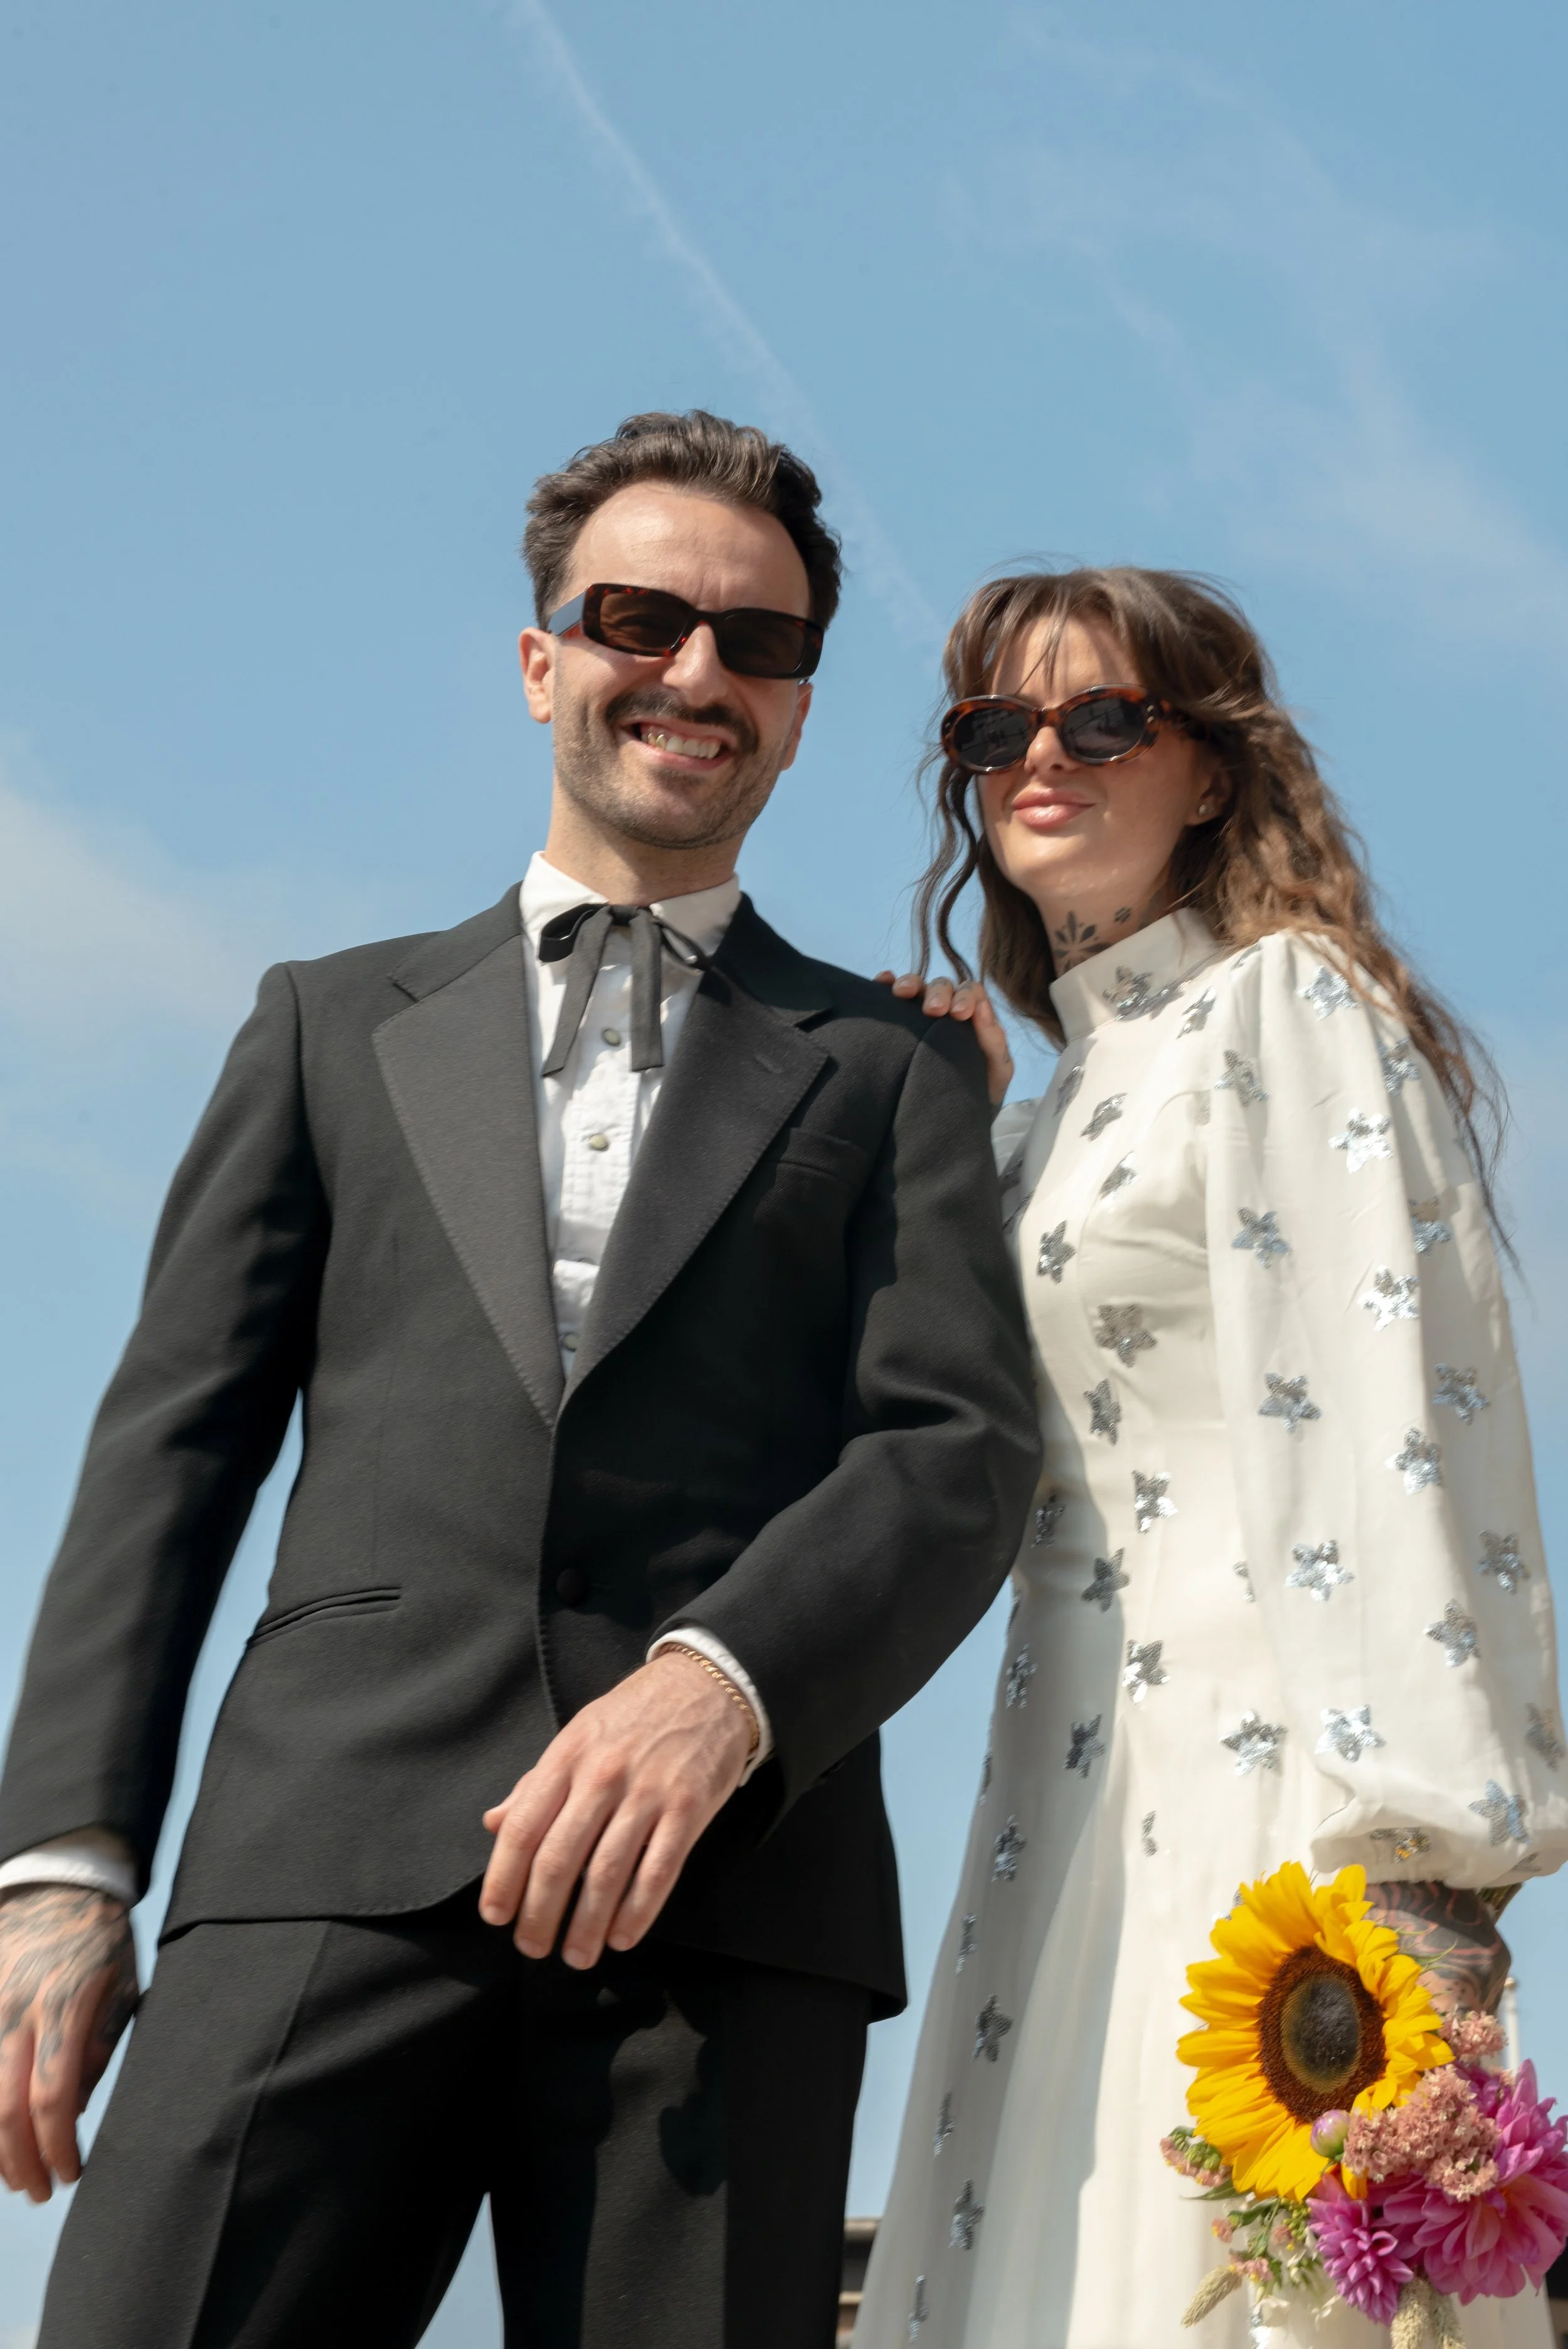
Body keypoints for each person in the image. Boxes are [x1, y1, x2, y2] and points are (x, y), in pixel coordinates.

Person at [0, 410, 1042, 2349]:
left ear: (804, 708)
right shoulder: (324, 1024)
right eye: (641, 619)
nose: (699, 674)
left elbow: (954, 1447)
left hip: (725, 1914)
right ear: (541, 657)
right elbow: (170, 1450)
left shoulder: (896, 1075)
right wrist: (62, 1863)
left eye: (762, 642)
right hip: (318, 1863)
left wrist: (723, 1689)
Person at [856, 566, 1567, 2348]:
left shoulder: (1286, 1008)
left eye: (1100, 721)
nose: (1041, 758)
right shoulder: (1050, 1107)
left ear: (1210, 770)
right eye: (992, 729)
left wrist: (1419, 1889)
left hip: (1262, 1805)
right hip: (1060, 1796)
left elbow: (1399, 1428)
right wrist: (939, 1142)